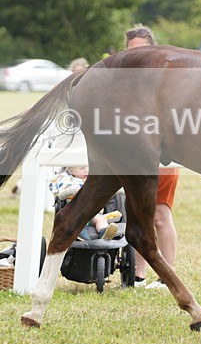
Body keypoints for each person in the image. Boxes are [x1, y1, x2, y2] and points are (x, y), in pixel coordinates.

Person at [125, 24, 180, 290]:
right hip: (134, 153)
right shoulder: (122, 80)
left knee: (160, 214)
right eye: (131, 51)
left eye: (141, 50)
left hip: (162, 154)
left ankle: (166, 277)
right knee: (137, 215)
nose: (136, 56)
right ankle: (139, 275)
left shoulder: (165, 78)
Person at [48, 165, 119, 240]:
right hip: (74, 212)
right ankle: (79, 233)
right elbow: (54, 187)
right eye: (81, 168)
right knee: (76, 220)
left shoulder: (93, 180)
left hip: (91, 213)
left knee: (100, 219)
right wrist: (67, 191)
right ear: (70, 170)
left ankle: (104, 232)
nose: (86, 170)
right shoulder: (66, 179)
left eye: (89, 167)